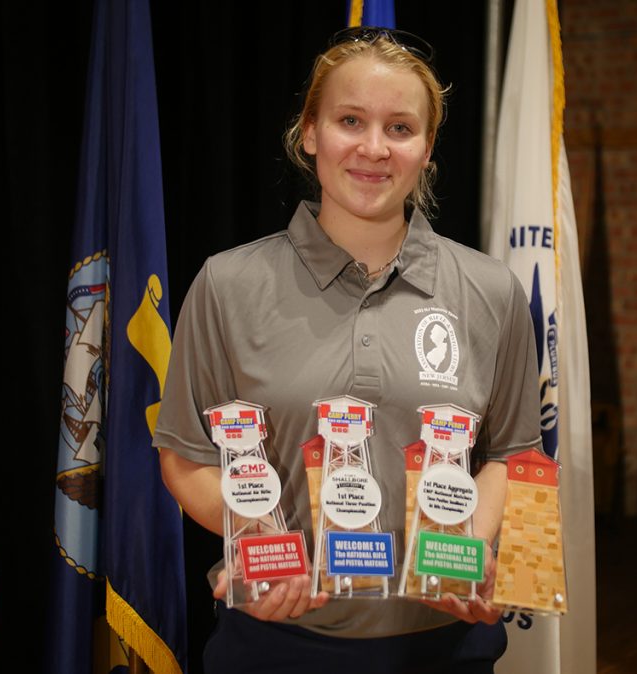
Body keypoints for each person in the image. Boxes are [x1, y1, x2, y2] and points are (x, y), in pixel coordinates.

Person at [154, 27, 542, 674]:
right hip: (275, 643)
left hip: (444, 646)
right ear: (309, 133)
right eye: (350, 120)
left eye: (399, 128)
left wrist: (464, 554)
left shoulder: (492, 291)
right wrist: (261, 538)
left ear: (427, 147)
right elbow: (184, 459)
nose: (372, 148)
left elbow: (511, 452)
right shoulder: (227, 284)